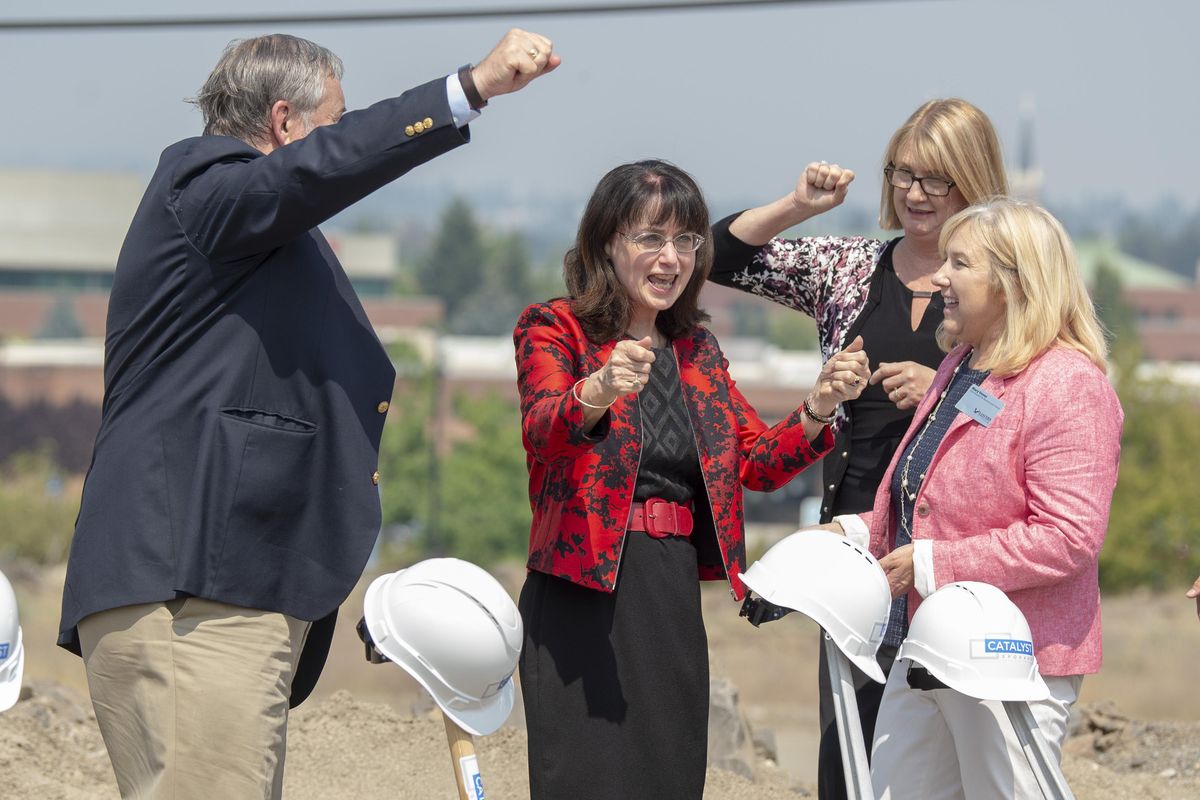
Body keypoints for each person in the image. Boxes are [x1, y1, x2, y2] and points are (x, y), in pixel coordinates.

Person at [56, 30, 558, 799]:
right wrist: (469, 87)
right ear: (286, 124)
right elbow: (318, 172)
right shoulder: (207, 186)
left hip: (217, 588)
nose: (345, 139)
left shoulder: (245, 230)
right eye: (337, 121)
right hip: (192, 587)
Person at [513, 159, 870, 799]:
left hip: (667, 587)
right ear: (605, 243)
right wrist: (596, 391)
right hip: (580, 589)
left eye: (686, 241)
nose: (670, 258)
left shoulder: (696, 350)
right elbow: (543, 431)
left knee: (668, 778)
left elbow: (754, 463)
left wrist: (819, 407)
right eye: (650, 238)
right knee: (583, 781)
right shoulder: (554, 326)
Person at [706, 98, 1009, 799]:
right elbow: (719, 256)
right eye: (902, 173)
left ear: (973, 180)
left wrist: (947, 391)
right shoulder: (847, 267)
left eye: (936, 177)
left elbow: (1028, 410)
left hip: (956, 545)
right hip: (857, 538)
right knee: (852, 737)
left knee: (948, 744)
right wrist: (797, 204)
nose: (914, 193)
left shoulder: (1005, 284)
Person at [825, 198, 1122, 798]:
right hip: (927, 641)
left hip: (1015, 657)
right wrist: (853, 533)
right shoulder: (963, 363)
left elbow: (1069, 539)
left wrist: (930, 565)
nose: (939, 277)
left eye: (959, 263)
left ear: (1014, 283)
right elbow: (927, 496)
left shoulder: (1068, 384)